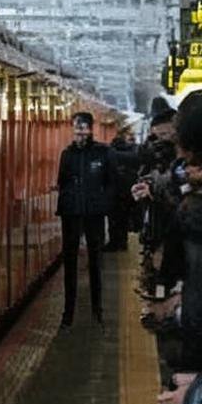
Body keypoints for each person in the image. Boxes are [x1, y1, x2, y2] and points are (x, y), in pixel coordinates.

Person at [56, 111, 111, 328]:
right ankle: (68, 312)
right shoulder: (67, 154)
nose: (79, 132)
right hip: (71, 214)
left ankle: (97, 310)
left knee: (95, 261)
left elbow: (110, 182)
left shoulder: (102, 153)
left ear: (90, 129)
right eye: (76, 128)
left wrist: (102, 203)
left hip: (94, 214)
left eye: (82, 127)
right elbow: (62, 180)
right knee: (70, 262)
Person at [105, 126, 139, 251]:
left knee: (113, 218)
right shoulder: (132, 151)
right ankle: (123, 242)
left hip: (114, 191)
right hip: (127, 190)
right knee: (123, 218)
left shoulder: (111, 152)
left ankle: (114, 243)